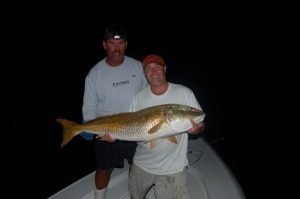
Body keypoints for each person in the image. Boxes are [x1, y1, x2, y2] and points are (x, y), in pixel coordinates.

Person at [80, 24, 148, 199]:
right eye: (112, 43)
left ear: (126, 44)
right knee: (104, 169)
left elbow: (150, 94)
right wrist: (88, 124)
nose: (116, 48)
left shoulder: (138, 67)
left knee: (140, 167)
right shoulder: (94, 74)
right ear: (104, 45)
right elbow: (89, 103)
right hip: (107, 130)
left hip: (137, 128)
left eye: (120, 43)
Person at [128, 54, 205, 199]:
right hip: (141, 164)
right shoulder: (138, 98)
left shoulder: (184, 93)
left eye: (157, 67)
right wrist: (111, 134)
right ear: (145, 74)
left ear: (165, 69)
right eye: (149, 69)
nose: (154, 72)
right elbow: (129, 125)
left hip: (172, 169)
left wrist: (198, 129)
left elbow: (200, 123)